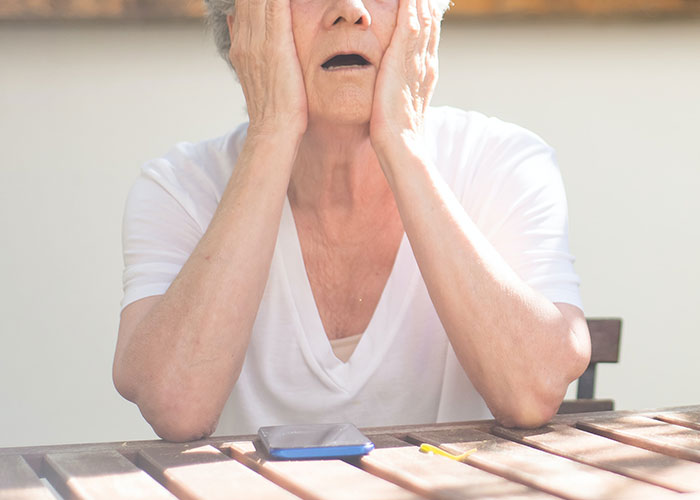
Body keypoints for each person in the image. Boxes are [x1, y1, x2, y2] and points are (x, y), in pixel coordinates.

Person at [113, 0, 591, 442]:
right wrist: (272, 131)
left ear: (427, 18)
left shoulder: (504, 163)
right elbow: (174, 405)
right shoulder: (178, 188)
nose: (350, 10)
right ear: (243, 32)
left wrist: (403, 141)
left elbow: (533, 390)